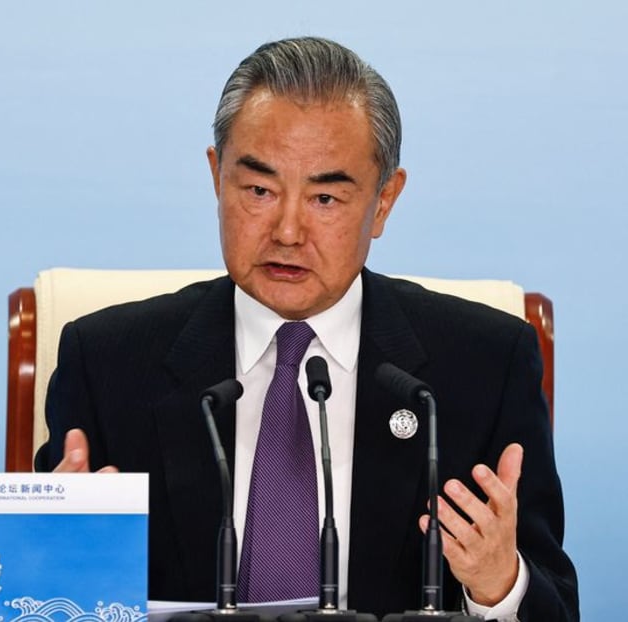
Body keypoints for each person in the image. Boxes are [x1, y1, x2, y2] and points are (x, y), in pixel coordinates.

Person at [34, 37, 578, 620]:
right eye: (260, 190)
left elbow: (555, 604)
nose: (288, 231)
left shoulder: (482, 365)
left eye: (324, 197)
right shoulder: (109, 361)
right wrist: (51, 553)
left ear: (385, 201)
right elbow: (35, 595)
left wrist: (498, 584)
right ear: (217, 178)